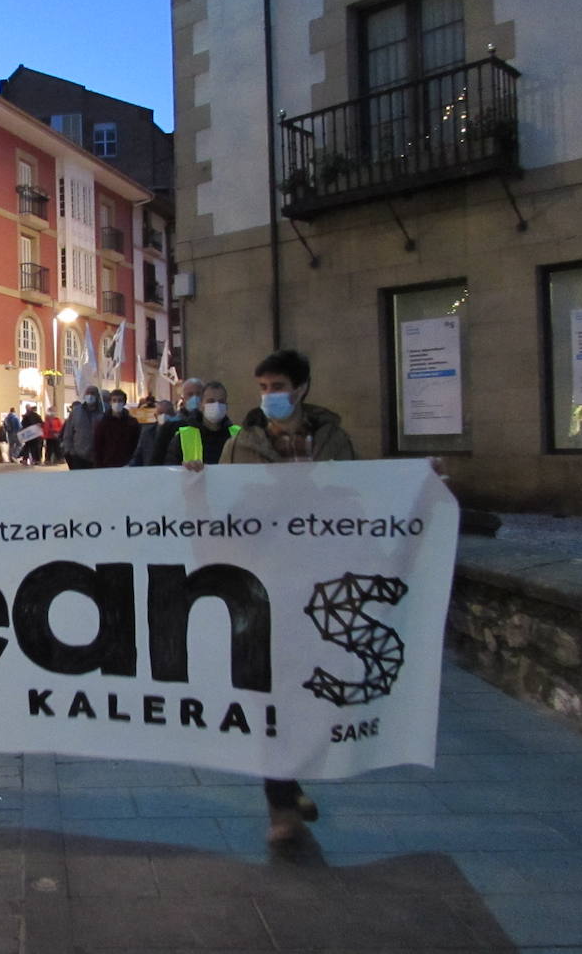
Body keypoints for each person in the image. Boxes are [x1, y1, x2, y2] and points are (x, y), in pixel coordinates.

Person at [217, 350, 351, 843]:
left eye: (277, 386)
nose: (269, 396)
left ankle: (290, 781)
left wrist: (423, 488)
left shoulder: (334, 440)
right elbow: (222, 509)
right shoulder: (243, 445)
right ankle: (280, 808)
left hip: (319, 584)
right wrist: (194, 487)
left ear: (302, 388)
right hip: (261, 583)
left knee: (310, 692)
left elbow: (358, 499)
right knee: (268, 692)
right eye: (262, 388)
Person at [164, 381, 237, 467]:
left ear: (226, 406)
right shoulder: (182, 437)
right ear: (200, 405)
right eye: (210, 401)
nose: (216, 405)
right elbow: (171, 470)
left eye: (221, 401)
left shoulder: (238, 435)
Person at [146, 378, 204, 468]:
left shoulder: (211, 424)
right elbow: (156, 460)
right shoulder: (170, 427)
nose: (195, 398)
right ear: (183, 399)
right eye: (190, 394)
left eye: (198, 394)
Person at [92, 389, 140, 468]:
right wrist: (98, 466)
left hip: (127, 464)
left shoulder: (132, 422)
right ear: (110, 402)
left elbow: (136, 444)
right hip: (107, 465)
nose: (117, 403)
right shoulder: (102, 422)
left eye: (120, 400)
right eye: (114, 400)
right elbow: (97, 446)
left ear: (124, 402)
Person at [60, 386, 105, 469]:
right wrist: (69, 451)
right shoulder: (76, 412)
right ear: (84, 395)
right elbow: (68, 433)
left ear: (97, 396)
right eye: (88, 393)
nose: (90, 396)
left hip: (97, 456)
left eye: (93, 393)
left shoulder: (103, 413)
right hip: (78, 455)